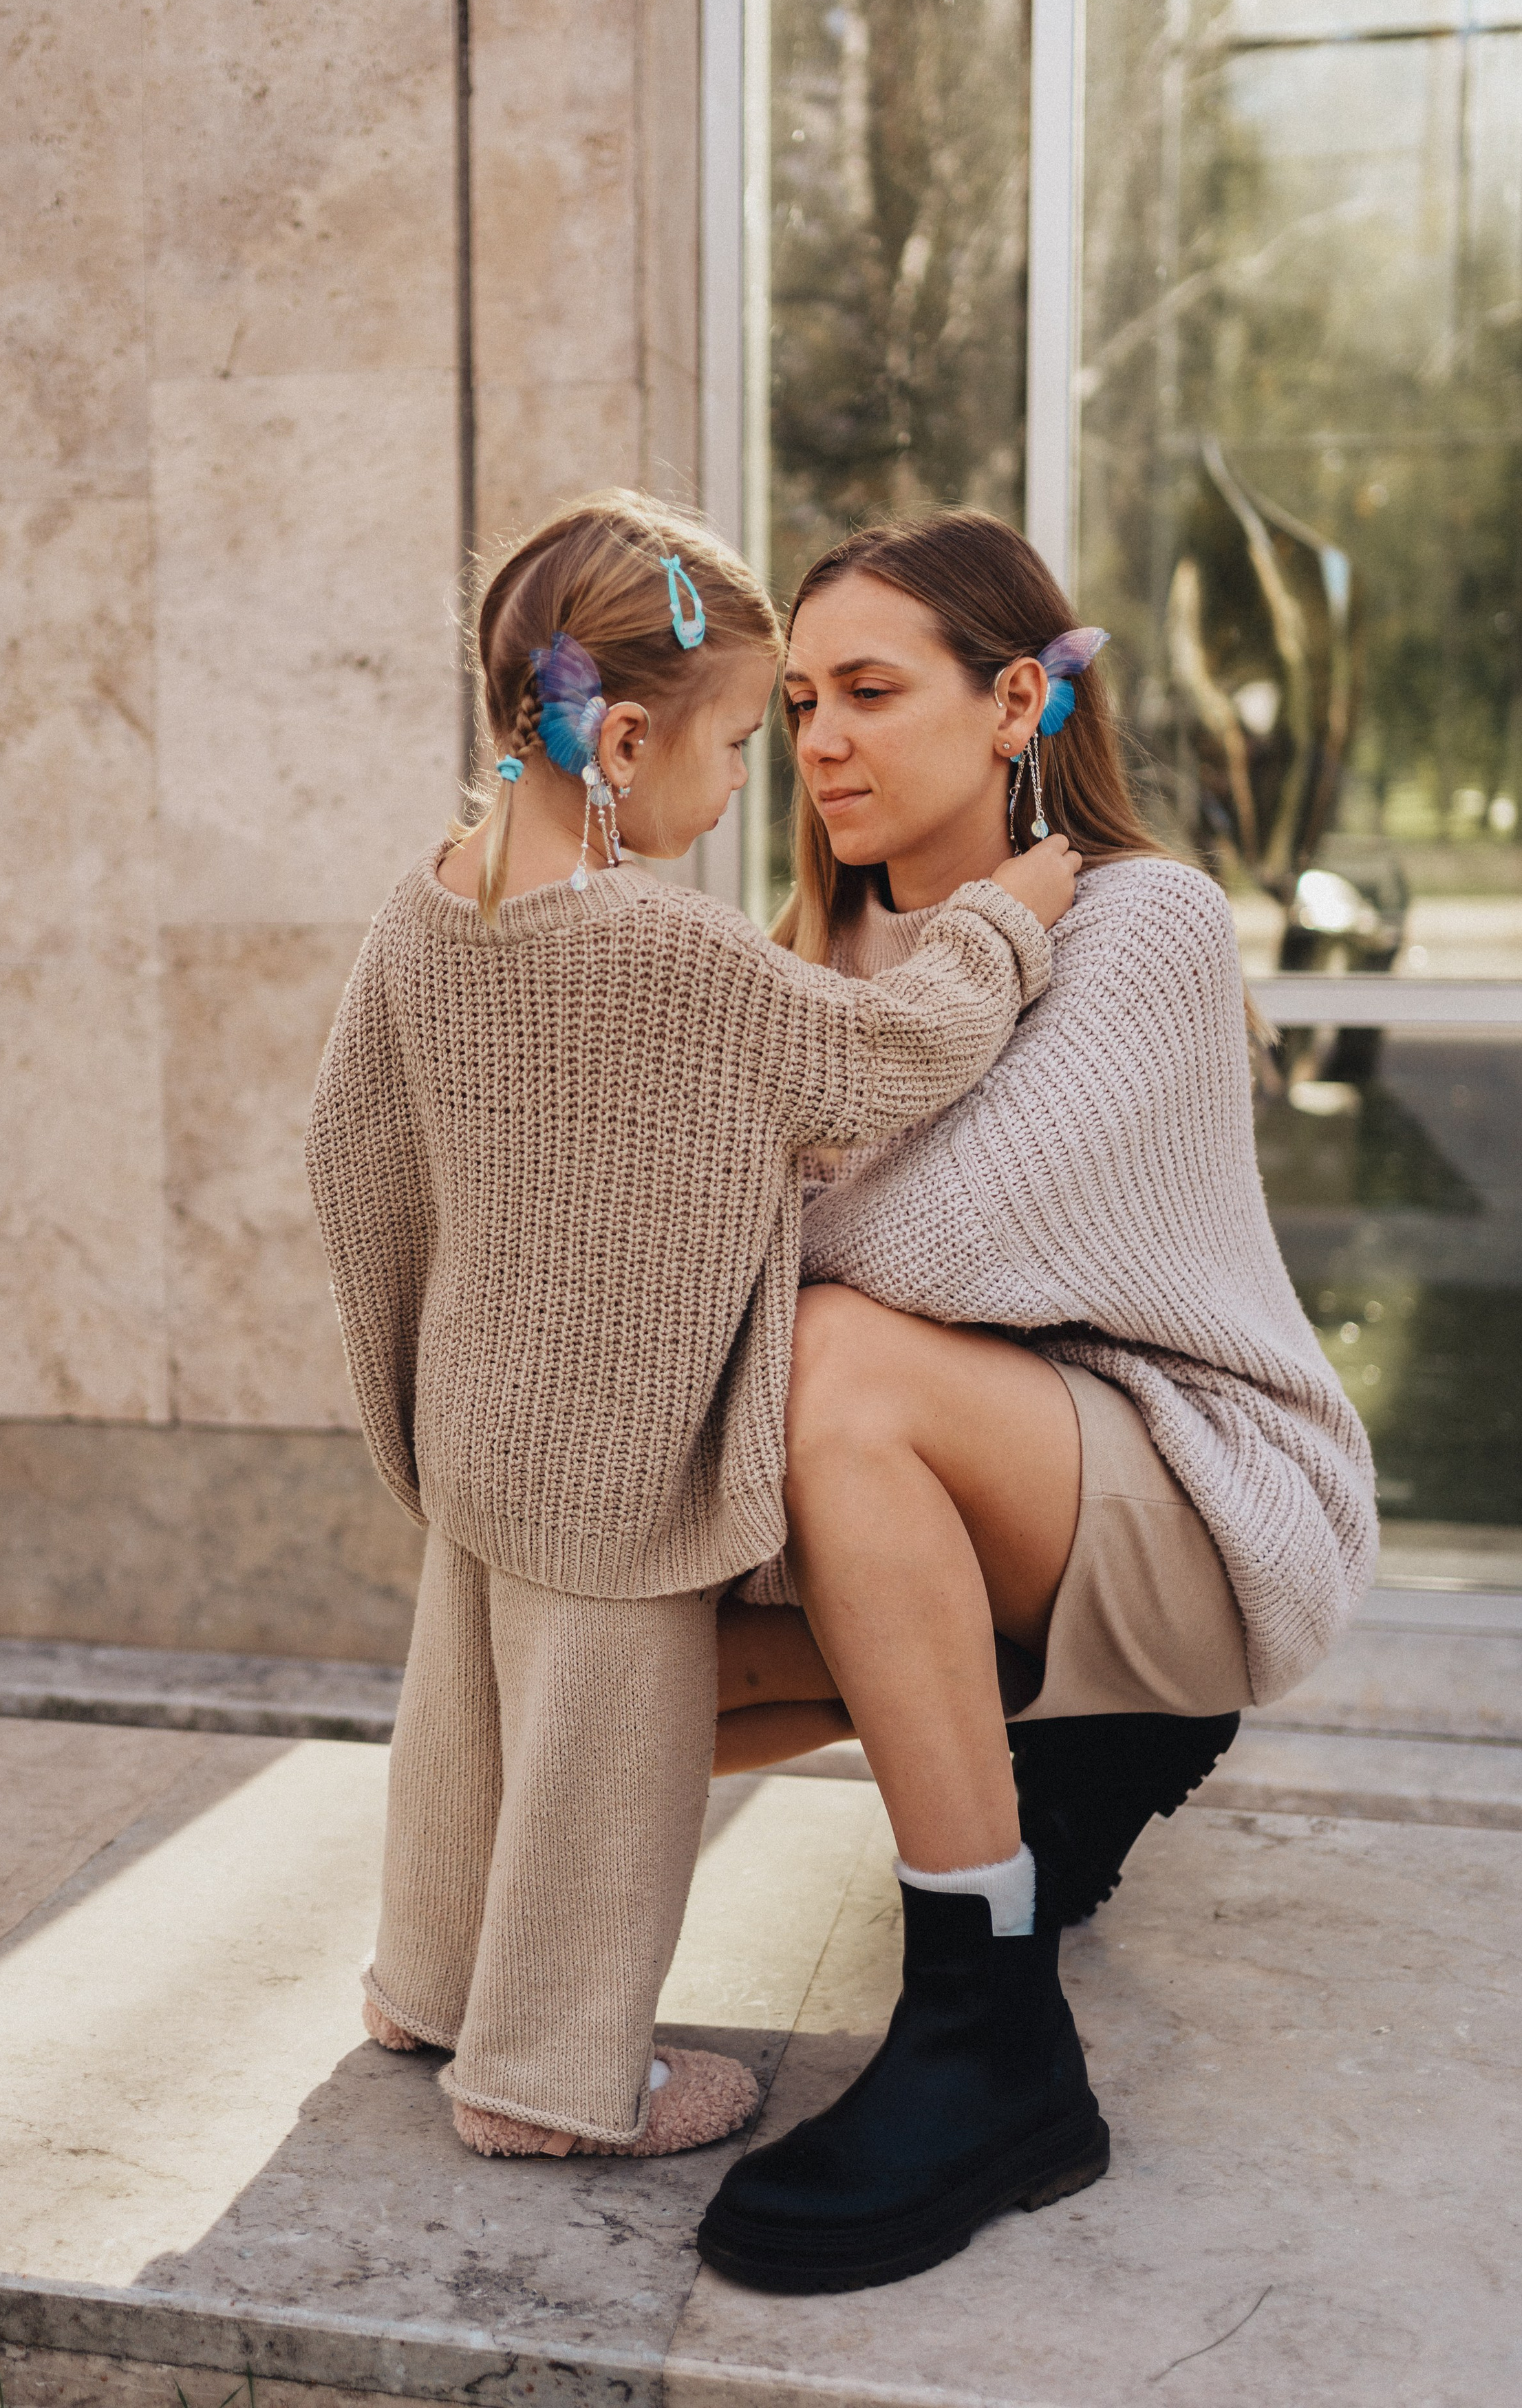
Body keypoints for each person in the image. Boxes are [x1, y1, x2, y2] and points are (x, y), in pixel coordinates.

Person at [306, 493, 1080, 2162]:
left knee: (462, 1724)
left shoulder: (429, 905)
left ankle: (426, 1986)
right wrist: (1009, 917)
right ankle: (549, 2080)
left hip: (480, 1423)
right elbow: (891, 1052)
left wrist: (415, 1370)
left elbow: (349, 1146)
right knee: (604, 1767)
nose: (754, 781)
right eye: (740, 739)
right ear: (625, 736)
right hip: (615, 1455)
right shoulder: (661, 942)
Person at [698, 510, 1378, 2294]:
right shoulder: (807, 957)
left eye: (868, 689)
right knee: (605, 1660)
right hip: (967, 1519)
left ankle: (991, 2041)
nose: (820, 737)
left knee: (841, 1360)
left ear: (1014, 703)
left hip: (1196, 1509)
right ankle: (529, 1994)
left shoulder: (1143, 922)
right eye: (796, 703)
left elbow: (919, 1241)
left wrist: (789, 1197)